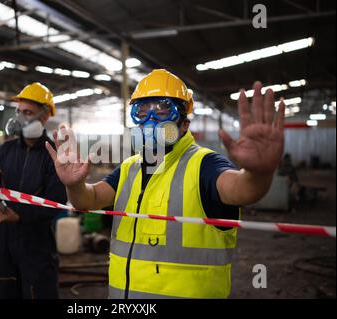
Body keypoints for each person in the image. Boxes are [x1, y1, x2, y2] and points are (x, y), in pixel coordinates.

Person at [46, 69, 285, 299]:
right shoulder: (130, 168)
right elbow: (89, 200)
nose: (150, 120)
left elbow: (243, 190)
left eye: (162, 110)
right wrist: (75, 185)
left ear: (184, 124)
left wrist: (259, 173)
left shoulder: (204, 165)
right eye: (142, 111)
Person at [0, 82, 67, 299]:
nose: (20, 118)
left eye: (28, 112)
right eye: (18, 112)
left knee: (39, 293)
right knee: (7, 291)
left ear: (44, 117)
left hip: (36, 243)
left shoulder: (54, 155)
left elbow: (56, 202)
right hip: (5, 240)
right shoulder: (6, 150)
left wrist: (20, 216)